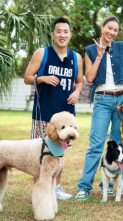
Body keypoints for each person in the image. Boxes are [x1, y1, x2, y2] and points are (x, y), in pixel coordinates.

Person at [24, 17, 84, 200]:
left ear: (70, 35)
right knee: (40, 153)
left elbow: (80, 81)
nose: (62, 35)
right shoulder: (42, 53)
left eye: (66, 31)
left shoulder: (76, 57)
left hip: (66, 117)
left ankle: (56, 188)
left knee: (60, 152)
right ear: (53, 34)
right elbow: (27, 77)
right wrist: (42, 78)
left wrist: (77, 92)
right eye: (59, 31)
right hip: (44, 112)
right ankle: (40, 189)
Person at [76, 16, 123, 200]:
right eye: (109, 28)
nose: (112, 32)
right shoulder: (90, 50)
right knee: (96, 145)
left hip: (122, 100)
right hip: (102, 100)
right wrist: (99, 56)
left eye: (115, 30)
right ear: (102, 27)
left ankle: (108, 184)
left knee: (117, 146)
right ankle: (84, 187)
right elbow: (90, 78)